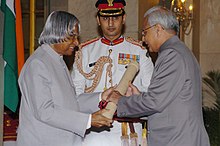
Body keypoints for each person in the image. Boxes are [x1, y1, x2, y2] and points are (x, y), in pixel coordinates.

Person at [107, 6, 210, 146]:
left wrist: (120, 100)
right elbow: (165, 102)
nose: (143, 39)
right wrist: (138, 97)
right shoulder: (179, 51)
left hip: (177, 140)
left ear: (158, 29)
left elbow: (154, 102)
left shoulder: (171, 55)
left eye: (144, 32)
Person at [16, 11, 113, 146]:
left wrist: (101, 97)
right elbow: (45, 111)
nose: (77, 42)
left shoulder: (57, 60)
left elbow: (70, 102)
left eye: (77, 37)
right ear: (57, 33)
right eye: (72, 37)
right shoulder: (38, 64)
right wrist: (88, 121)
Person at [71, 0, 154, 145]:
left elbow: (151, 95)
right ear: (98, 20)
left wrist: (134, 98)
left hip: (127, 133)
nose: (110, 23)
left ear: (124, 19)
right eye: (105, 18)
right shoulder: (85, 52)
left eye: (115, 18)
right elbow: (74, 97)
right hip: (93, 136)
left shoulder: (139, 51)